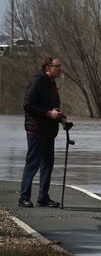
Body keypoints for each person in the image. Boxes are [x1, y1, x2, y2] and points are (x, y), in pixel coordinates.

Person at [19, 56, 66, 208]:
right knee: (32, 164)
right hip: (36, 129)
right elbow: (28, 105)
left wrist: (61, 118)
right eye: (57, 66)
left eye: (60, 66)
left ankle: (43, 197)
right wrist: (48, 113)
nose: (60, 69)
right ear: (48, 68)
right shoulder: (37, 81)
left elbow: (52, 107)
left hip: (49, 130)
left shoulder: (51, 83)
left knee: (47, 165)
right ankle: (24, 197)